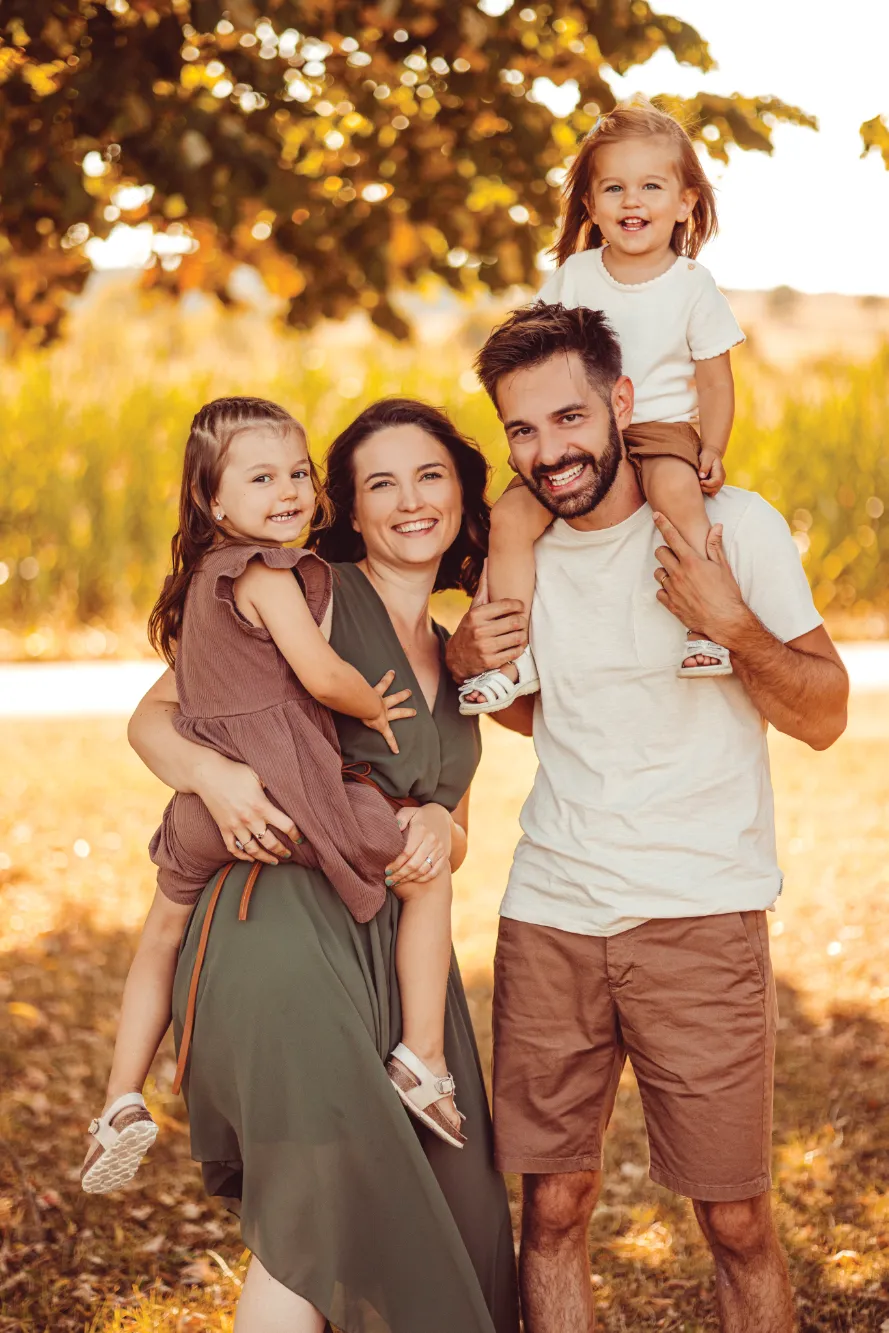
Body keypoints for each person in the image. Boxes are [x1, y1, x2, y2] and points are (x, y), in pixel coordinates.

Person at [445, 302, 849, 1333]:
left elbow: (823, 711)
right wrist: (466, 661)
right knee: (552, 1206)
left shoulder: (731, 530)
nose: (549, 451)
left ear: (622, 402)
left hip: (700, 910)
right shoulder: (517, 556)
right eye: (522, 431)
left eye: (569, 418)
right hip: (552, 909)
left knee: (736, 1218)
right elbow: (534, 706)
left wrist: (727, 621)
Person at [125, 397, 520, 1333]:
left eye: (429, 475)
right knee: (321, 1203)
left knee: (451, 1209)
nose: (410, 501)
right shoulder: (311, 590)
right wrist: (216, 778)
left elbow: (454, 831)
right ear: (348, 506)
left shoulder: (461, 655)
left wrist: (435, 827)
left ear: (463, 491)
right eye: (380, 483)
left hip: (398, 954)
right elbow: (153, 716)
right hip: (288, 928)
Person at [82, 397, 467, 1198]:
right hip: (285, 799)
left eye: (297, 472)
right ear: (216, 502)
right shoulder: (284, 577)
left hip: (202, 815)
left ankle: (121, 1098)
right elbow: (320, 676)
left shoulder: (202, 583)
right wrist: (370, 705)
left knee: (160, 936)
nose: (289, 488)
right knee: (424, 875)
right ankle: (421, 1056)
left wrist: (214, 780)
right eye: (264, 477)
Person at [460, 98, 744, 716]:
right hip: (579, 431)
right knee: (510, 521)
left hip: (661, 429)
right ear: (591, 205)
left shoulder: (693, 285)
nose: (631, 202)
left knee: (677, 497)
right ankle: (512, 658)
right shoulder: (575, 274)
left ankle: (708, 625)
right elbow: (530, 356)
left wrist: (713, 446)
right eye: (614, 188)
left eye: (650, 186)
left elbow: (716, 380)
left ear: (685, 202)